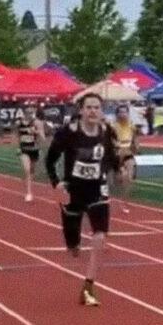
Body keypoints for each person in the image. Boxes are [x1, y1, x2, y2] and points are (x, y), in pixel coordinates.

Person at [46, 92, 120, 307]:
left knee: (99, 236)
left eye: (96, 107)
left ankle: (89, 286)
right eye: (88, 107)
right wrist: (56, 182)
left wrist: (118, 169)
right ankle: (73, 245)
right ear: (81, 110)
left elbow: (111, 157)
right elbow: (50, 160)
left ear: (101, 110)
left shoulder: (106, 132)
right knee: (73, 248)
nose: (92, 111)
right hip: (73, 191)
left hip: (97, 190)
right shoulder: (68, 133)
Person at [15, 103, 46, 202]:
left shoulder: (37, 122)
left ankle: (26, 181)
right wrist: (18, 147)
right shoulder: (19, 123)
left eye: (32, 109)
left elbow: (43, 137)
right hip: (24, 149)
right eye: (28, 108)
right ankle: (28, 193)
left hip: (34, 149)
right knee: (27, 170)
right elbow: (16, 135)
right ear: (24, 111)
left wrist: (36, 132)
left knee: (32, 171)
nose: (30, 111)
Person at [111, 104, 138, 214]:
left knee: (129, 178)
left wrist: (136, 147)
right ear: (117, 114)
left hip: (128, 154)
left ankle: (124, 202)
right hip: (116, 155)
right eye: (120, 112)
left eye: (125, 112)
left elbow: (135, 138)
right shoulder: (113, 126)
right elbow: (109, 140)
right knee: (118, 180)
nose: (123, 114)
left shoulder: (131, 125)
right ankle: (114, 197)